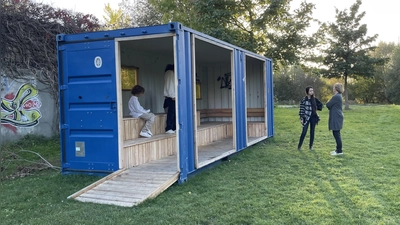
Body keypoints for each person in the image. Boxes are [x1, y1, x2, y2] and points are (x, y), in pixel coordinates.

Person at [298, 86, 323, 151]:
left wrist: (315, 108)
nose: (312, 92)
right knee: (304, 132)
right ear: (307, 92)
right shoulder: (304, 100)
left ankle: (311, 146)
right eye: (310, 91)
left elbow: (321, 105)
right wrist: (301, 118)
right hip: (306, 117)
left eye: (312, 90)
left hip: (313, 118)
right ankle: (299, 146)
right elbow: (301, 109)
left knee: (312, 132)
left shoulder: (314, 99)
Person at [326, 83, 344, 156]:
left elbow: (328, 105)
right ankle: (337, 150)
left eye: (333, 88)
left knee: (336, 133)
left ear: (336, 89)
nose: (333, 89)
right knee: (336, 133)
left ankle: (339, 151)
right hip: (337, 116)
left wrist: (328, 102)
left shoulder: (336, 97)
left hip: (336, 117)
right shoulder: (338, 96)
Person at [163, 64, 176, 134]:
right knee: (171, 113)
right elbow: (170, 85)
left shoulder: (170, 73)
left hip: (171, 97)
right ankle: (169, 127)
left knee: (173, 113)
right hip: (171, 98)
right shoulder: (169, 73)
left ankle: (173, 127)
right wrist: (173, 96)